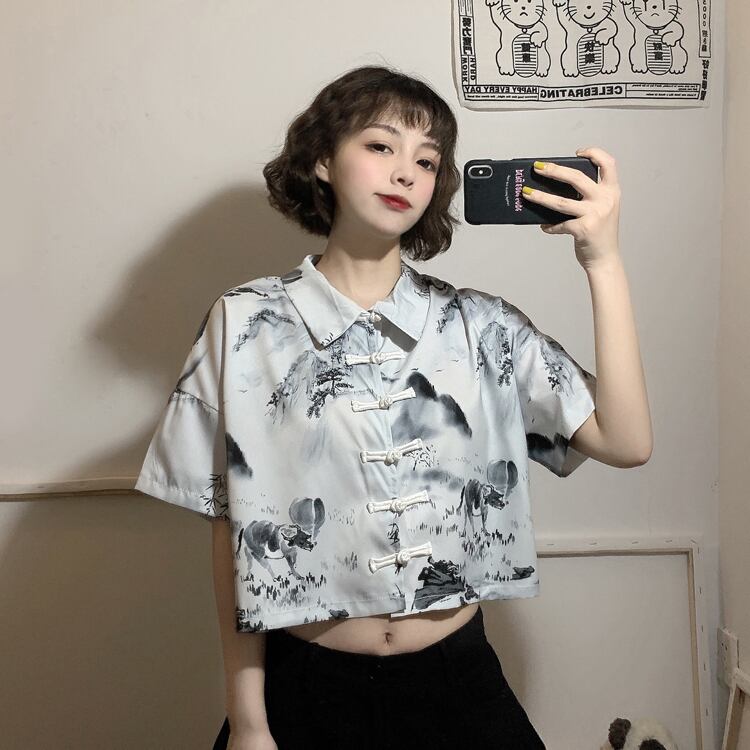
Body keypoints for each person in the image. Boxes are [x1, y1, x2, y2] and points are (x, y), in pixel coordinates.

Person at [135, 65, 652, 750]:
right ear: (322, 159)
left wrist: (603, 261)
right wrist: (250, 720)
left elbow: (626, 441)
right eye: (380, 146)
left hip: (458, 681)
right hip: (303, 687)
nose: (406, 171)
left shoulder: (483, 327)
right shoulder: (244, 324)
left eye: (427, 161)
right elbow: (231, 529)